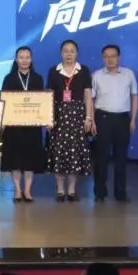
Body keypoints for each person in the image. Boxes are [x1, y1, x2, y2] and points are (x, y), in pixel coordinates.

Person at [46, 39, 94, 202]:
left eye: (72, 51)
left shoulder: (84, 70)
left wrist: (88, 117)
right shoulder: (54, 71)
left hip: (77, 116)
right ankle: (60, 190)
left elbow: (88, 96)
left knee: (75, 154)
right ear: (61, 53)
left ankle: (72, 190)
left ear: (77, 53)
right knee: (59, 153)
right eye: (66, 51)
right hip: (59, 116)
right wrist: (49, 117)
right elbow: (49, 96)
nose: (69, 54)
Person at [91, 44, 138, 202]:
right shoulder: (96, 75)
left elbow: (134, 96)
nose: (109, 59)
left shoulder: (128, 74)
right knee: (101, 157)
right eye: (106, 56)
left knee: (121, 158)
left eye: (113, 56)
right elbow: (91, 99)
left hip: (122, 119)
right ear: (102, 58)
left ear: (119, 57)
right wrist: (92, 120)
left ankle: (120, 193)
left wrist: (133, 119)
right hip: (102, 118)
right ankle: (100, 193)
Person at [0, 46, 46, 202]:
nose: (24, 60)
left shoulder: (38, 78)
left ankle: (27, 190)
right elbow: (4, 101)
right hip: (14, 126)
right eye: (21, 57)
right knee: (15, 159)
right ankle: (18, 190)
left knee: (30, 159)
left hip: (32, 125)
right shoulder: (9, 78)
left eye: (27, 57)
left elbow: (43, 101)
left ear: (31, 59)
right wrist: (3, 122)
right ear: (16, 59)